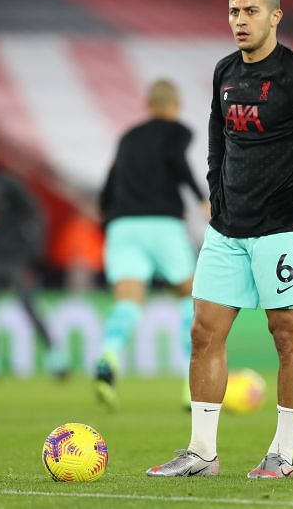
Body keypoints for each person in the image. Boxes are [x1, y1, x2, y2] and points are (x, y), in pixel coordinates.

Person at [147, 0, 293, 479]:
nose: (239, 20)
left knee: (286, 335)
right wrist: (215, 189)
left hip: (280, 229)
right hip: (228, 228)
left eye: (250, 10)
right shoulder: (225, 72)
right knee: (204, 331)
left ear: (275, 17)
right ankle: (201, 453)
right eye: (233, 11)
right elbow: (216, 135)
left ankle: (282, 453)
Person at [94, 79, 210, 409]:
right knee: (189, 300)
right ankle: (192, 387)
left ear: (148, 104)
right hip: (162, 223)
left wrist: (107, 214)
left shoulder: (127, 137)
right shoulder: (177, 132)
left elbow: (111, 180)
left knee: (128, 302)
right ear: (174, 105)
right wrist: (201, 198)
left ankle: (109, 354)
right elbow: (177, 161)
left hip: (123, 224)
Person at [0, 131, 68, 379]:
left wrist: (34, 250)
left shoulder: (7, 184)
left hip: (17, 259)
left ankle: (56, 358)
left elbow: (38, 213)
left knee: (29, 307)